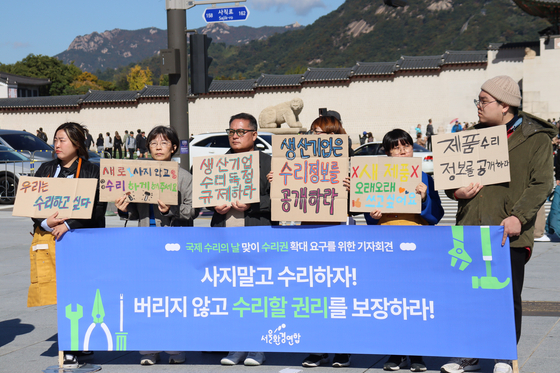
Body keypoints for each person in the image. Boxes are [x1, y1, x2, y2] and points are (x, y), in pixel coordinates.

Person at [442, 76, 556, 373]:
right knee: (467, 294)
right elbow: (449, 177)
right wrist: (456, 192)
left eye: (484, 101)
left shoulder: (535, 137)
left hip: (509, 232)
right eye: (478, 101)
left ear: (505, 105)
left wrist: (519, 215)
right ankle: (469, 354)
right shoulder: (470, 135)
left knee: (506, 296)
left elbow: (542, 182)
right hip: (469, 227)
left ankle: (504, 354)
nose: (478, 107)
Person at [115, 125, 197, 365]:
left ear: (173, 147)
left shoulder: (184, 177)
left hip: (174, 243)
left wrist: (170, 210)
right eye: (153, 143)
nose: (158, 147)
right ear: (147, 147)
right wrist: (124, 208)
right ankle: (148, 350)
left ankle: (175, 349)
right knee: (145, 296)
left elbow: (192, 211)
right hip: (145, 242)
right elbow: (132, 211)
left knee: (173, 297)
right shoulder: (138, 173)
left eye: (164, 143)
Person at [364, 129, 443, 372]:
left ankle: (418, 353)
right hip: (387, 246)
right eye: (396, 148)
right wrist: (373, 215)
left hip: (416, 245)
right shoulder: (376, 177)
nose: (402, 151)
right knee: (392, 300)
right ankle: (396, 352)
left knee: (415, 299)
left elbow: (436, 215)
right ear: (387, 153)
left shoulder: (425, 178)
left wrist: (424, 197)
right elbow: (370, 215)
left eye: (406, 146)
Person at [29, 122, 106, 368]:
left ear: (77, 143)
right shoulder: (45, 169)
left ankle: (78, 343)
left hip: (81, 241)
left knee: (81, 292)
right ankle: (71, 345)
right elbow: (33, 204)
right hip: (51, 239)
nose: (56, 145)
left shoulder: (92, 171)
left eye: (62, 140)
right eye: (55, 139)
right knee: (61, 294)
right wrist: (45, 221)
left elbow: (98, 209)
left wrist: (69, 224)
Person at [214, 113, 275, 367]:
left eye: (240, 132)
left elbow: (282, 202)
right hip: (225, 233)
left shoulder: (269, 163)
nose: (235, 136)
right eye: (231, 132)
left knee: (257, 294)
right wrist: (212, 205)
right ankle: (236, 346)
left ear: (254, 134)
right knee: (232, 294)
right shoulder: (217, 163)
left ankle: (257, 348)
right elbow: (200, 198)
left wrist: (253, 204)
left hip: (256, 234)